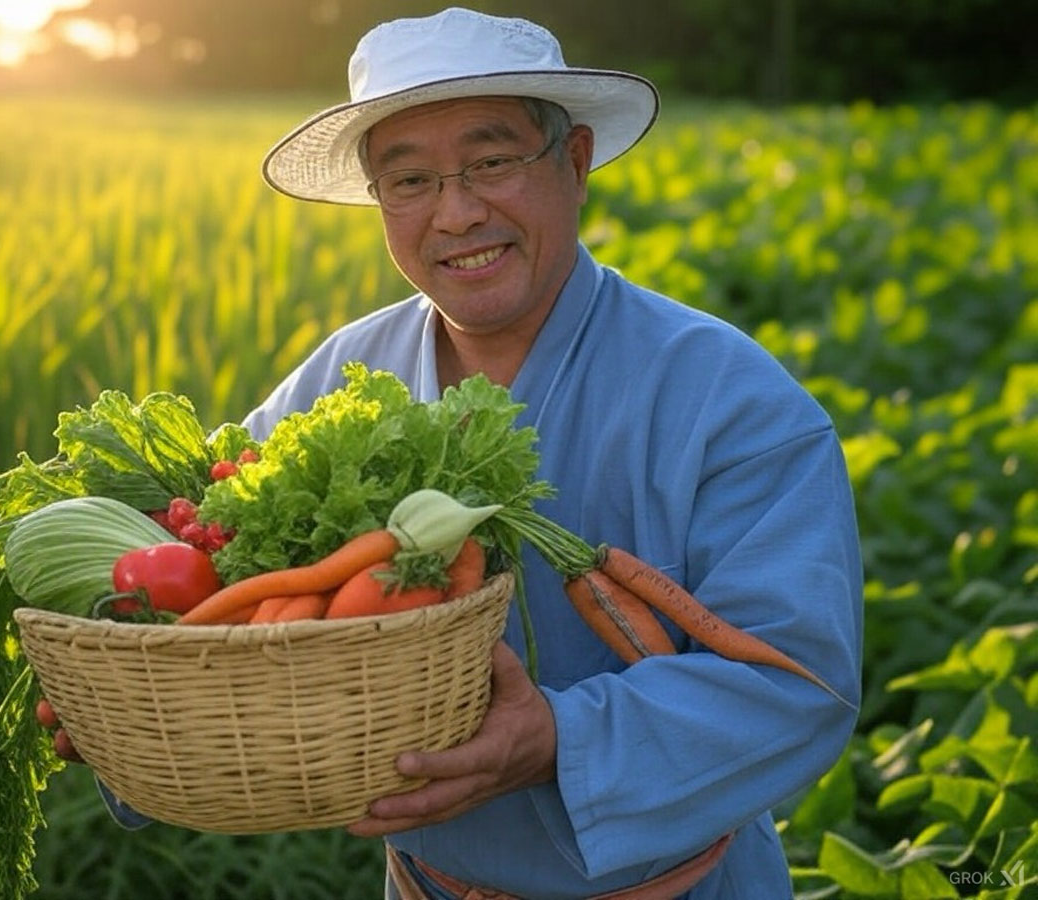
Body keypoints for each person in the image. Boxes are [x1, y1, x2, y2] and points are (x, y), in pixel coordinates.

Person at [55, 8, 864, 898]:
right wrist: (138, 696)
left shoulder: (729, 400)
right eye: (408, 180)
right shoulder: (339, 379)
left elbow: (799, 687)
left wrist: (555, 737)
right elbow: (218, 585)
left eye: (492, 161)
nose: (457, 212)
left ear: (577, 160)